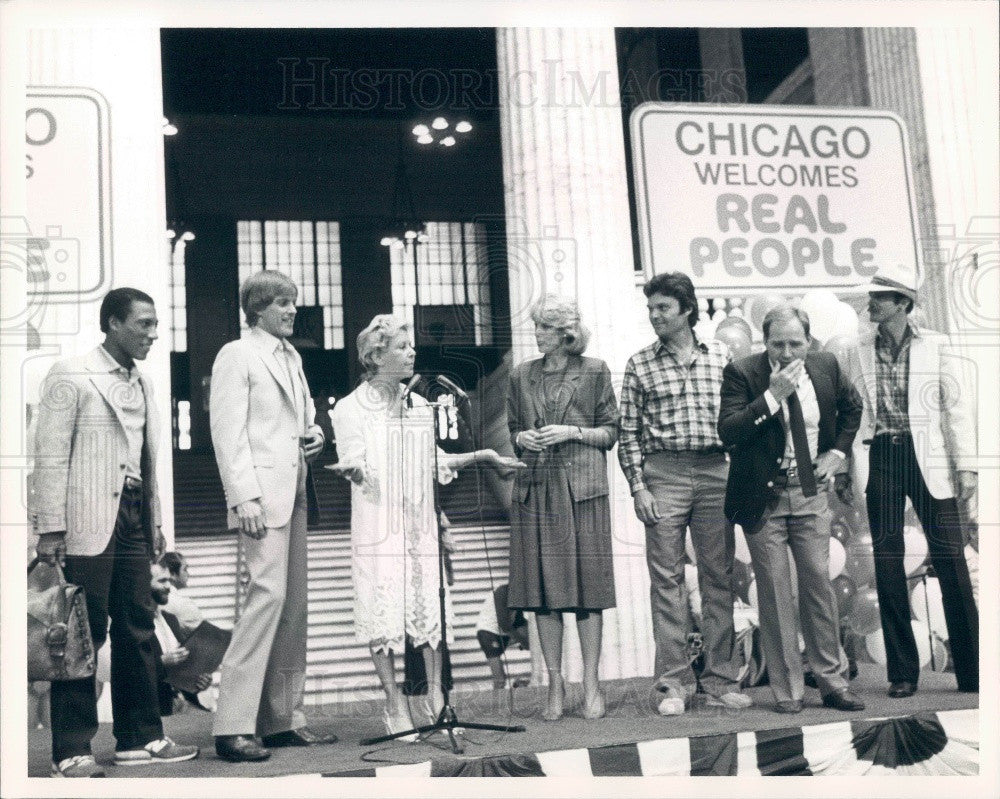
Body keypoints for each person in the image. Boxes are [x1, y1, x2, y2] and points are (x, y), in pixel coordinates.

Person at [29, 287, 199, 777]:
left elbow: (147, 459)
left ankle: (140, 737)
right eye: (143, 323)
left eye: (154, 324)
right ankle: (71, 749)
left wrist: (156, 521)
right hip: (85, 521)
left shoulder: (143, 382)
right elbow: (51, 454)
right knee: (82, 634)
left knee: (138, 627)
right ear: (112, 324)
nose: (152, 333)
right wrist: (50, 527)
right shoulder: (72, 374)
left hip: (132, 518)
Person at [330, 314, 523, 739]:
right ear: (376, 355)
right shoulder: (349, 408)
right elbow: (357, 460)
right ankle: (394, 704)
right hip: (379, 525)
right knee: (383, 616)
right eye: (403, 347)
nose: (412, 352)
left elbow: (434, 461)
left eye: (411, 346)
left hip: (420, 523)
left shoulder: (419, 404)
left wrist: (485, 457)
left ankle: (436, 698)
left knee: (429, 610)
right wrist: (356, 472)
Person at [209, 271, 335, 762]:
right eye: (282, 303)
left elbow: (303, 418)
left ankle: (282, 720)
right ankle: (232, 726)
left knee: (294, 607)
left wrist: (316, 435)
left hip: (297, 486)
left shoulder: (292, 355)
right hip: (260, 495)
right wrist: (243, 497)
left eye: (294, 302)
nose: (292, 310)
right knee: (267, 597)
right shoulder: (236, 354)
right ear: (257, 308)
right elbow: (227, 431)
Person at [718, 304, 864, 714]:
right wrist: (771, 397)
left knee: (818, 583)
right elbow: (727, 430)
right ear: (765, 342)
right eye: (777, 343)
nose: (785, 353)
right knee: (776, 590)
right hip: (763, 497)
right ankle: (789, 691)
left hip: (811, 491)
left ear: (809, 341)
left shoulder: (825, 365)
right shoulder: (743, 372)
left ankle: (833, 682)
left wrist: (837, 452)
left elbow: (853, 409)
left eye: (794, 344)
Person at [619, 272, 750, 715]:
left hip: (716, 470)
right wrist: (639, 487)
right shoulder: (639, 364)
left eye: (663, 309)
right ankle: (673, 684)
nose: (654, 316)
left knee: (718, 577)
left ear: (688, 310)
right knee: (668, 581)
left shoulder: (722, 357)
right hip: (664, 474)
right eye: (651, 309)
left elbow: (738, 417)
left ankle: (720, 680)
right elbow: (629, 433)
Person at [848, 273, 978, 698]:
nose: (871, 304)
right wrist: (851, 470)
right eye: (871, 297)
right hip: (883, 455)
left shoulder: (936, 344)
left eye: (880, 298)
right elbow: (853, 415)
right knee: (887, 564)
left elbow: (955, 409)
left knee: (952, 564)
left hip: (931, 460)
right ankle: (902, 673)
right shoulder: (858, 350)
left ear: (902, 303)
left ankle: (973, 669)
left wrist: (967, 467)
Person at [506, 295, 618, 721]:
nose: (536, 335)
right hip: (537, 489)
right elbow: (514, 427)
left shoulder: (595, 371)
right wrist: (522, 440)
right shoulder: (520, 376)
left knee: (589, 591)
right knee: (542, 595)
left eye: (544, 329)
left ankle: (590, 682)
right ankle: (555, 683)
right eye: (536, 327)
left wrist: (572, 431)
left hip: (582, 492)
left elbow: (611, 431)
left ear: (566, 333)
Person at [149, 564, 212, 714]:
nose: (169, 587)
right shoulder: (134, 625)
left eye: (169, 580)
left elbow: (181, 672)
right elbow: (128, 673)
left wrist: (198, 681)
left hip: (184, 704)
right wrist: (161, 662)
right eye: (162, 581)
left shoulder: (171, 620)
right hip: (155, 711)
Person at [475, 584, 530, 690]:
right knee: (499, 679)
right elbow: (504, 625)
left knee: (530, 629)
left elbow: (519, 621)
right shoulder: (503, 592)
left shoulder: (519, 596)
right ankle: (496, 703)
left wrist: (528, 640)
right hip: (488, 632)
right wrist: (524, 642)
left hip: (501, 633)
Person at [158, 551, 204, 638]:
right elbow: (204, 636)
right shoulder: (183, 603)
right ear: (172, 574)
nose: (188, 574)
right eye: (185, 569)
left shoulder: (157, 599)